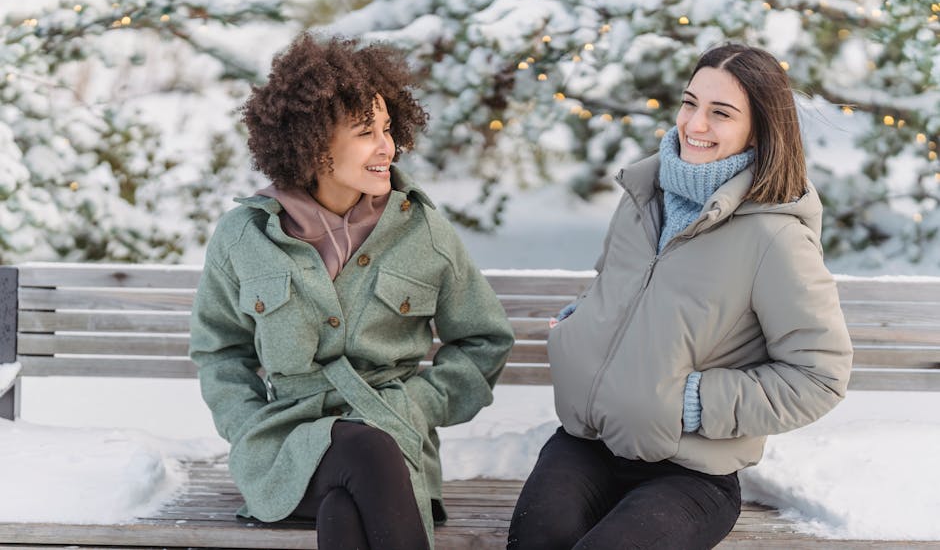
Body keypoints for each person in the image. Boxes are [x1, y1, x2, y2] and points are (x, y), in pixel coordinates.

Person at [507, 43, 854, 549]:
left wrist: (691, 402)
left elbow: (820, 376)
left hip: (692, 474)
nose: (695, 124)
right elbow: (616, 289)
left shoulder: (775, 238)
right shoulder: (642, 196)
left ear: (759, 128)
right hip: (589, 444)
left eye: (721, 113)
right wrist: (581, 326)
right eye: (690, 103)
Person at [189, 33, 514, 550]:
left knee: (348, 506)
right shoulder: (245, 237)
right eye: (366, 132)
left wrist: (418, 405)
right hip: (286, 451)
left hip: (395, 444)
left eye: (388, 129)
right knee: (365, 455)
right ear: (313, 142)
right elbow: (218, 350)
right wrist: (245, 424)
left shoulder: (422, 230)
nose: (387, 147)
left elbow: (484, 342)